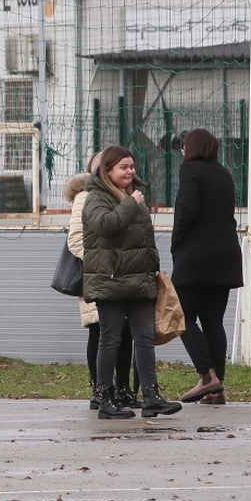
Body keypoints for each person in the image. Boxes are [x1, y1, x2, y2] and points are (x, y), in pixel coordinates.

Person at [82, 145, 182, 419]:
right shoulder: (96, 198)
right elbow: (105, 226)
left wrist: (153, 271)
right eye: (123, 167)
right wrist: (130, 203)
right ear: (107, 170)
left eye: (132, 166)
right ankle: (103, 397)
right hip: (111, 281)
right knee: (110, 340)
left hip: (139, 280)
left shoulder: (131, 196)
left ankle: (151, 396)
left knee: (145, 338)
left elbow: (143, 240)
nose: (130, 171)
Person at [170, 129, 242, 405]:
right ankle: (217, 388)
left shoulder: (190, 170)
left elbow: (188, 208)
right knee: (213, 320)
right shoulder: (223, 173)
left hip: (196, 255)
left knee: (182, 317)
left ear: (191, 148)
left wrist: (177, 242)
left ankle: (206, 374)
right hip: (226, 255)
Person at [65, 152, 138, 410]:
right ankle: (100, 390)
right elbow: (75, 240)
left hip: (125, 276)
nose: (128, 172)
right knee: (101, 332)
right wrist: (104, 262)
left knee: (126, 333)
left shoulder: (126, 196)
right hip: (99, 276)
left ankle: (123, 390)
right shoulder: (85, 197)